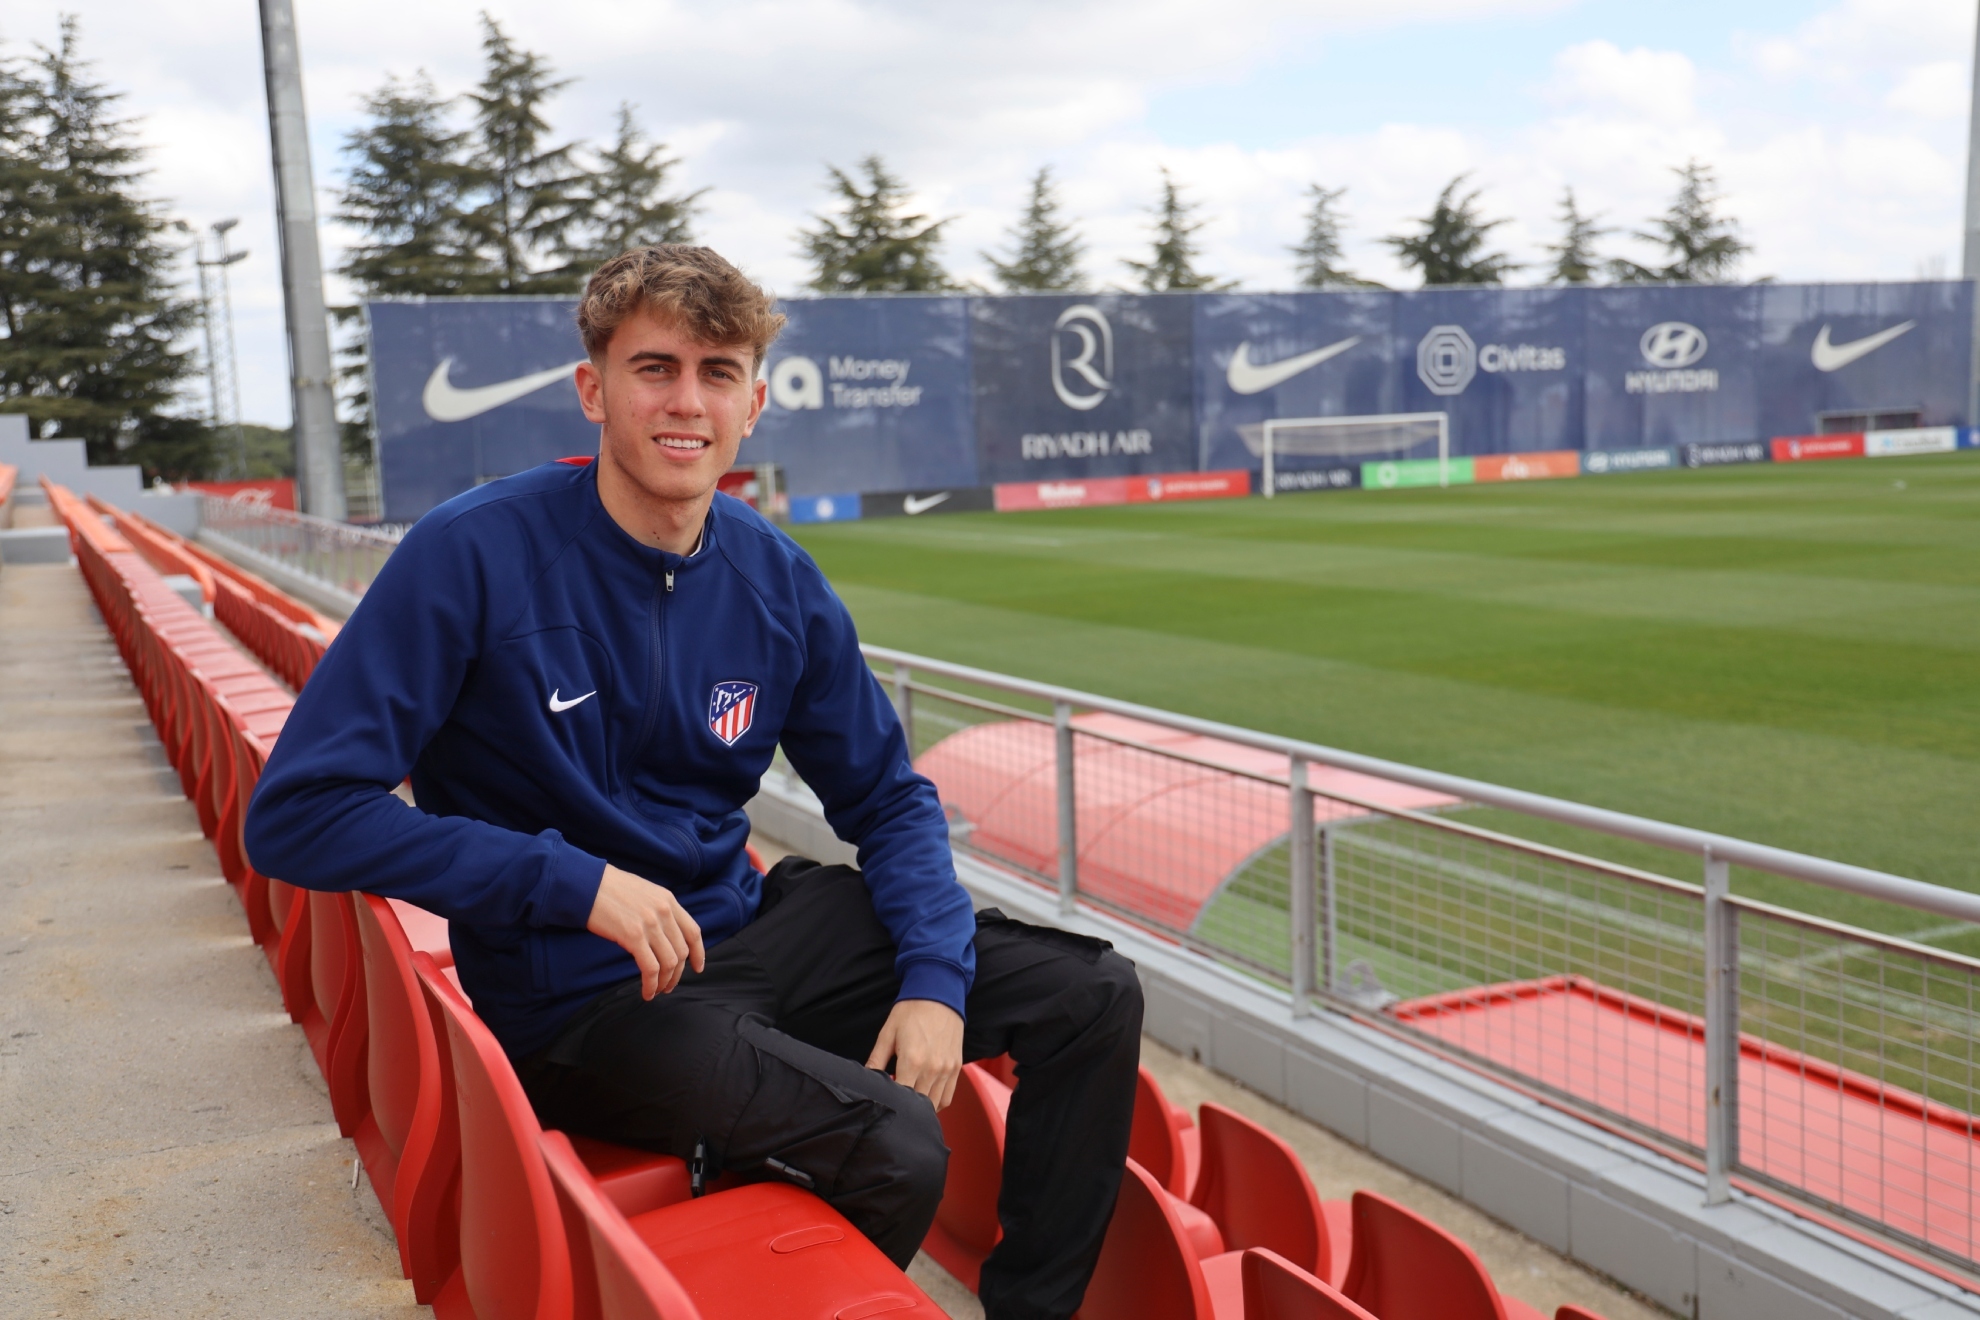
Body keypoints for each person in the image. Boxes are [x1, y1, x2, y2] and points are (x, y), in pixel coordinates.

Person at [245, 244, 1142, 1320]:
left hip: (742, 930)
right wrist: (567, 881)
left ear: (754, 403)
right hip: (583, 1000)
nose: (687, 401)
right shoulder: (472, 553)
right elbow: (298, 816)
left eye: (718, 373)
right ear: (595, 390)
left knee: (1091, 994)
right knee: (899, 1145)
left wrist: (933, 984)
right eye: (655, 368)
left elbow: (890, 800)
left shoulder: (773, 577)